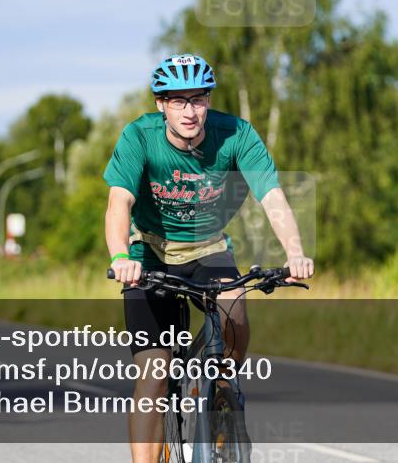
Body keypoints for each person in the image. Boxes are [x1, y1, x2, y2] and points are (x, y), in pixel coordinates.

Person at [104, 53, 314, 463]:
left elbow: (271, 197)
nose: (189, 110)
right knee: (153, 375)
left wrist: (295, 253)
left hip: (209, 249)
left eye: (197, 99)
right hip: (149, 254)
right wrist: (119, 256)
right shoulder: (139, 137)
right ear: (160, 104)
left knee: (234, 311)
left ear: (208, 101)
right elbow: (118, 202)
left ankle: (221, 389)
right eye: (177, 100)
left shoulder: (235, 135)